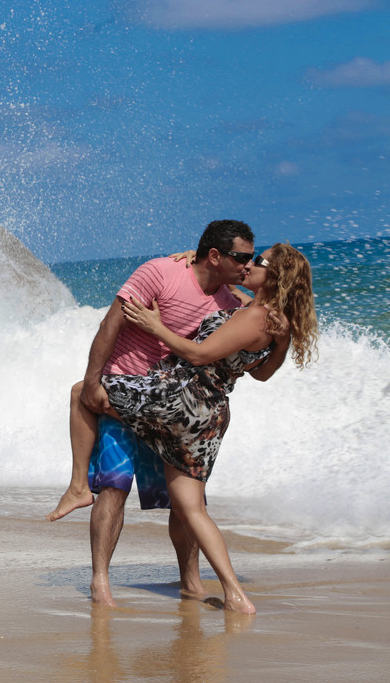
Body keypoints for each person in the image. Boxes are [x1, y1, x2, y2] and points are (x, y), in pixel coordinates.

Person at [45, 221, 291, 608]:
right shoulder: (161, 271)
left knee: (188, 504)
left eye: (252, 260)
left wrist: (158, 325)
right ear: (215, 255)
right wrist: (95, 379)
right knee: (114, 485)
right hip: (132, 386)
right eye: (243, 258)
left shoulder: (235, 304)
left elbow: (221, 341)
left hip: (174, 402)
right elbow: (111, 322)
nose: (247, 265)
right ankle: (101, 582)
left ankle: (192, 582)